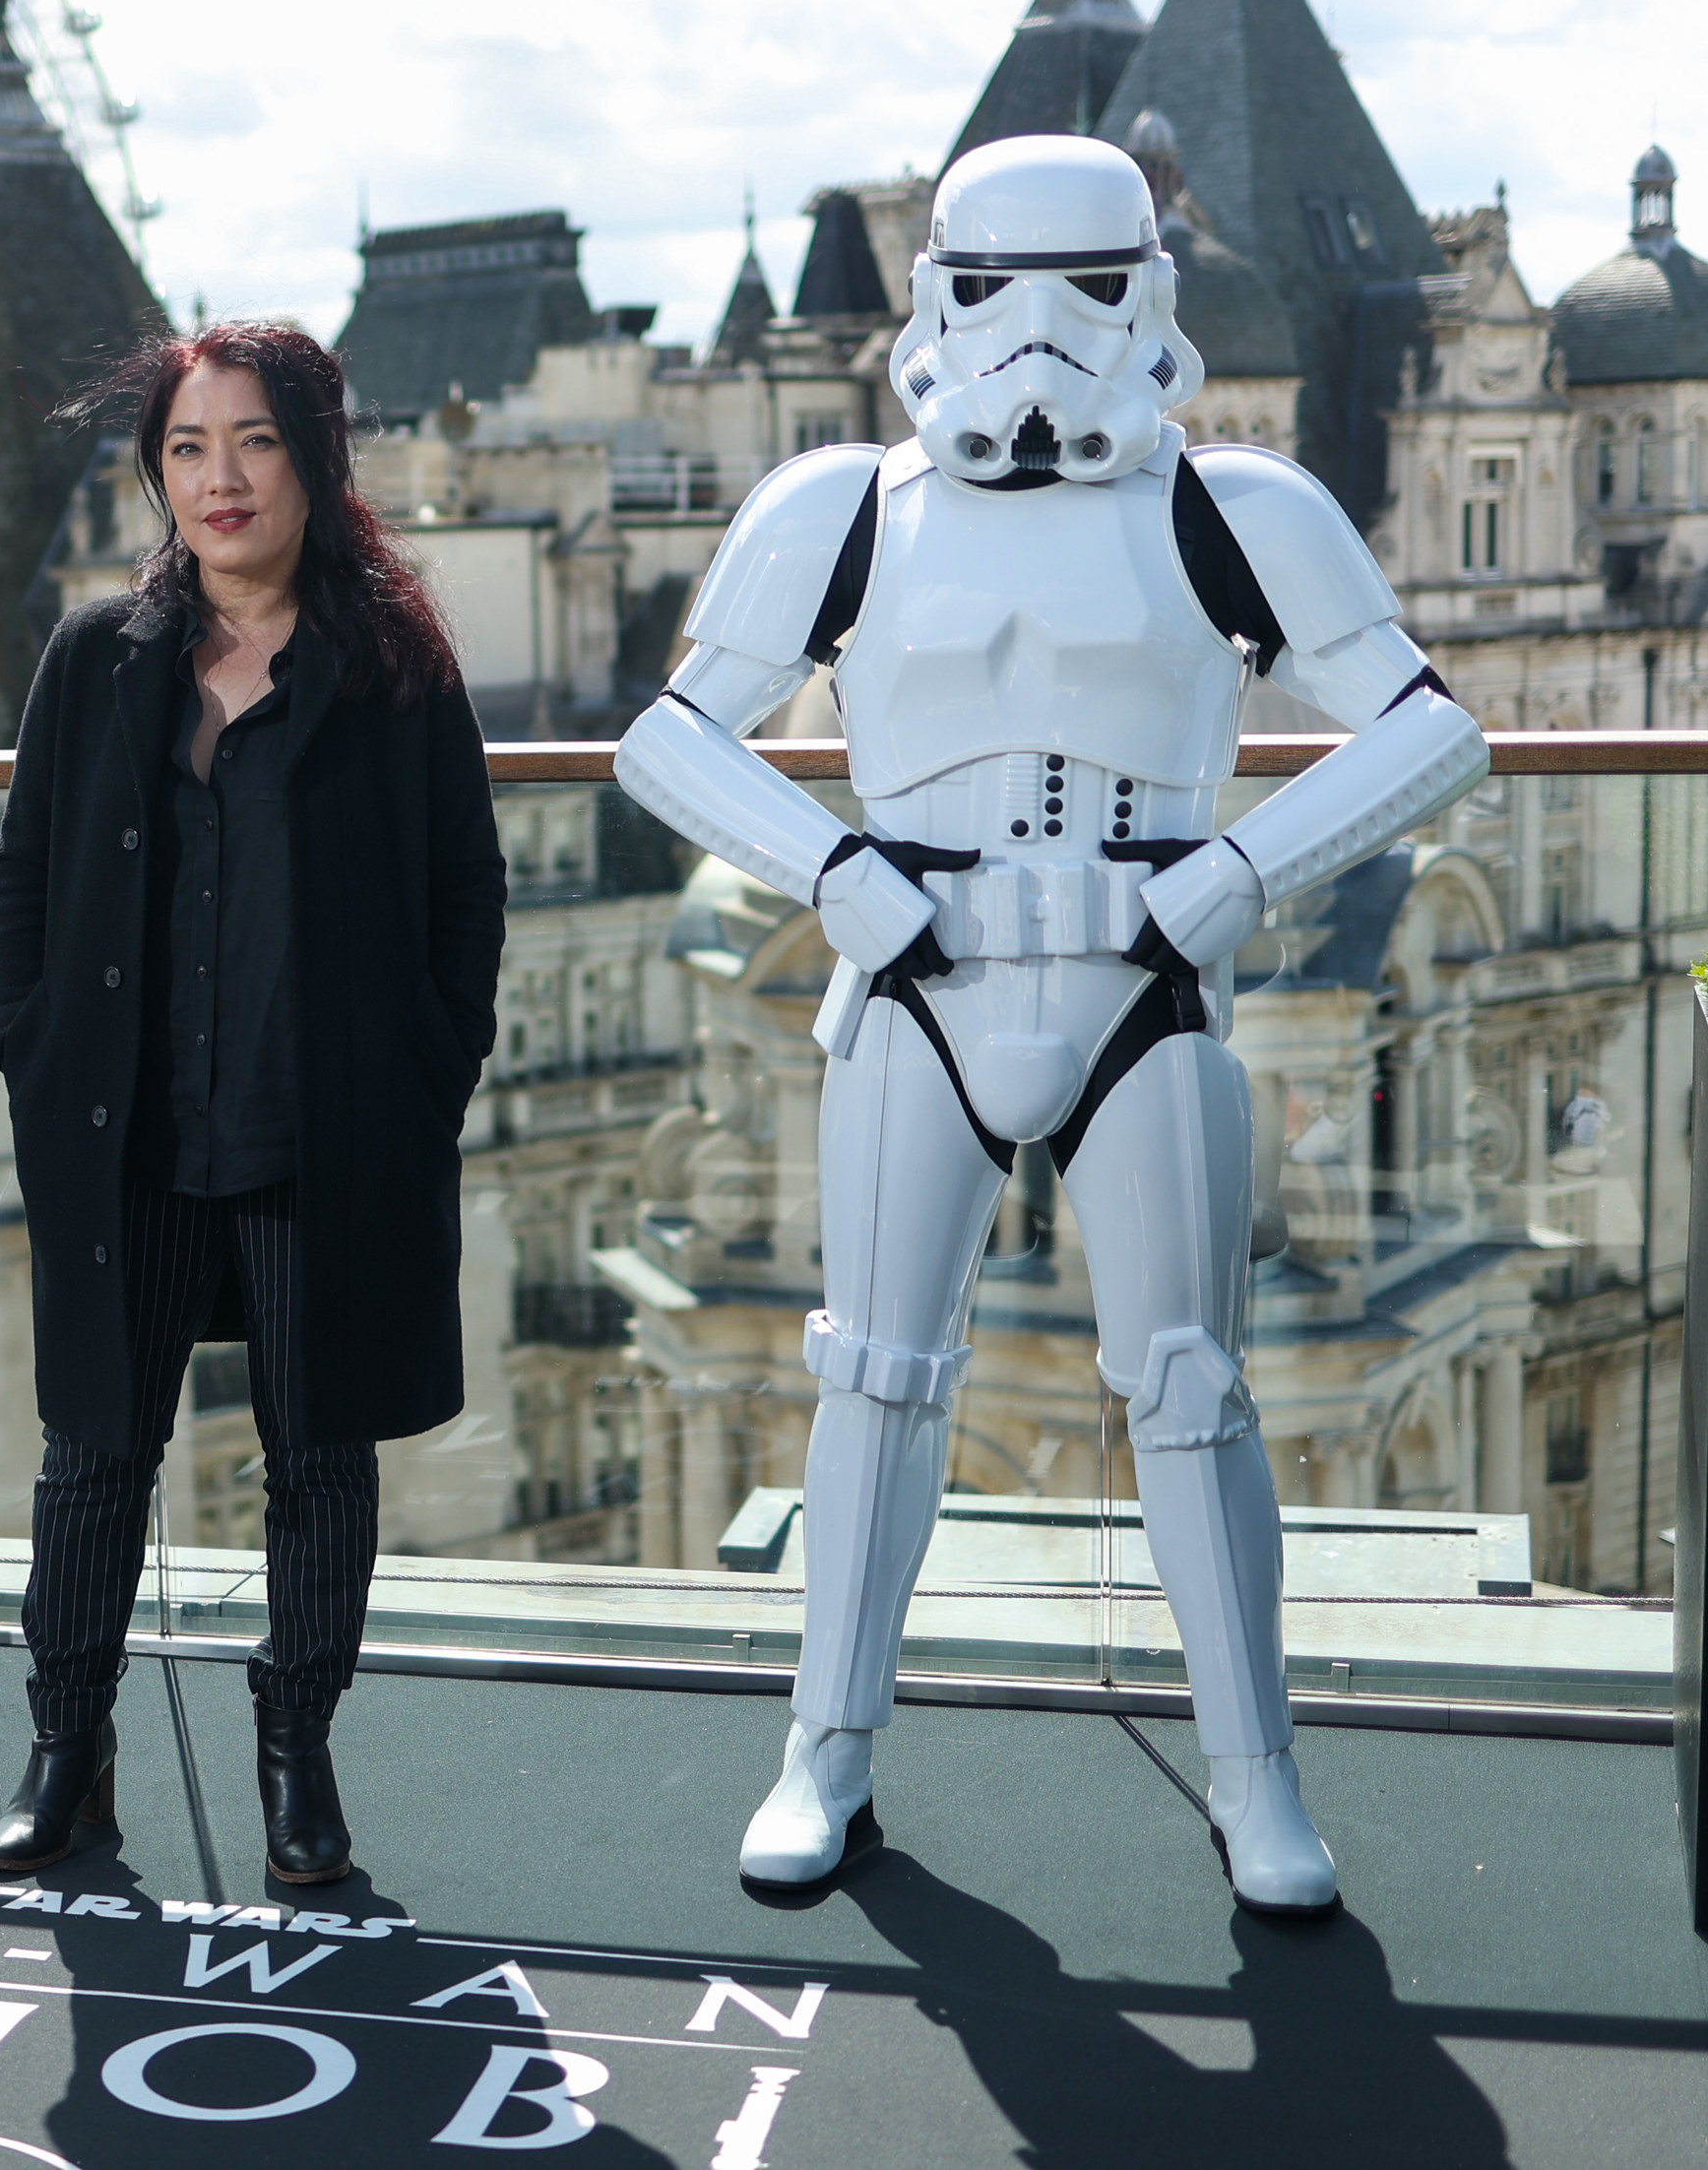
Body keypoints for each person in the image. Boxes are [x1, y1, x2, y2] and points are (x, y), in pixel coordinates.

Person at [615, 136, 1488, 1914]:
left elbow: (1431, 729)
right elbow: (668, 740)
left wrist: (1231, 876)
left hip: (1142, 990)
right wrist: (842, 873)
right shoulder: (837, 507)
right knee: (870, 1377)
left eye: (1086, 284)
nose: (1037, 332)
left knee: (1189, 1390)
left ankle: (1255, 1780)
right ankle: (825, 1746)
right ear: (934, 292)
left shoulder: (1235, 506)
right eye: (997, 284)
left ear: (1149, 289)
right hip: (915, 987)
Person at [0, 322, 507, 1884]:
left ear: (317, 460)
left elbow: (465, 895)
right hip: (128, 1135)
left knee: (318, 1457)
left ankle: (299, 1749)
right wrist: (34, 1052)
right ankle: (68, 1747)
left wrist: (424, 1071)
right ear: (157, 471)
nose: (218, 478)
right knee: (93, 1452)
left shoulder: (399, 669)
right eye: (189, 447)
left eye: (254, 440)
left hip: (323, 1130)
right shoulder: (95, 656)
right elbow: (26, 883)